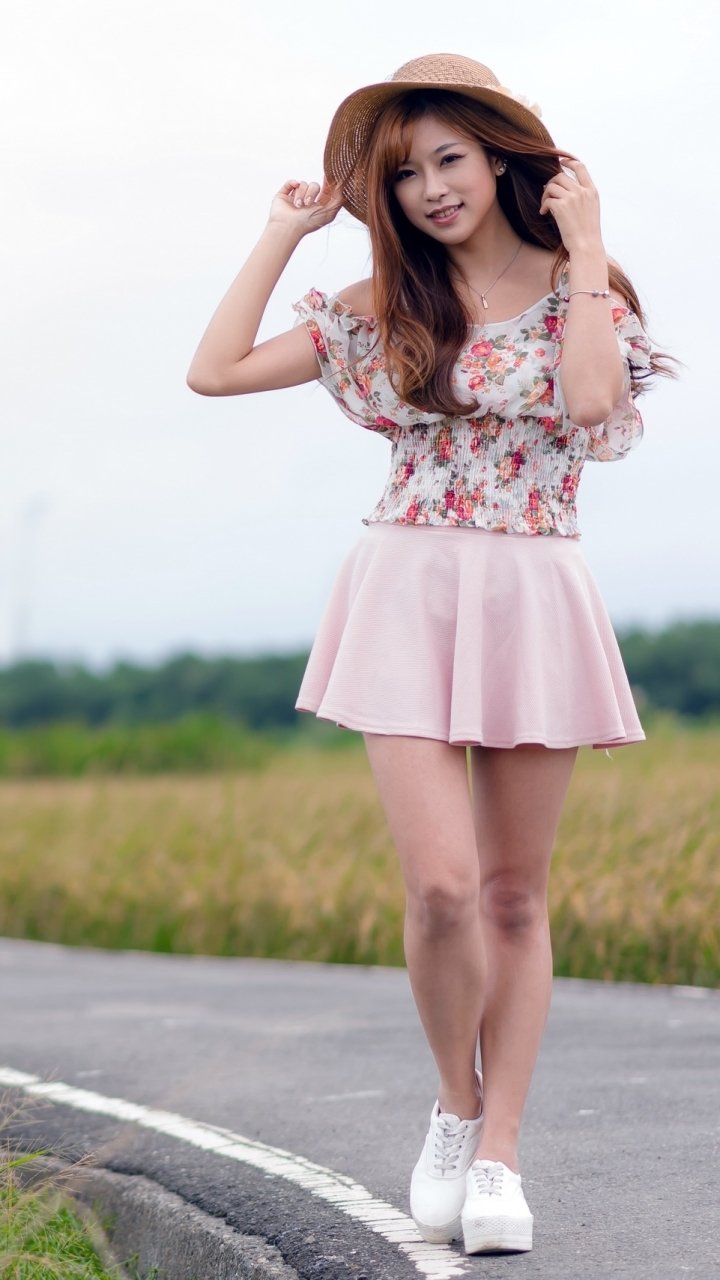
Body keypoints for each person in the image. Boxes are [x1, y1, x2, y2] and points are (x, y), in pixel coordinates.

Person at [187, 53, 671, 1257]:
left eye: (448, 158)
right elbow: (215, 371)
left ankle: (501, 1144)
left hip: (534, 582)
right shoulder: (381, 307)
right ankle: (453, 1106)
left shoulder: (582, 285)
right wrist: (281, 235)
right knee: (444, 884)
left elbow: (596, 401)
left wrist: (592, 234)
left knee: (514, 891)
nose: (430, 189)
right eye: (403, 174)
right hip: (406, 581)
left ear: (503, 155)